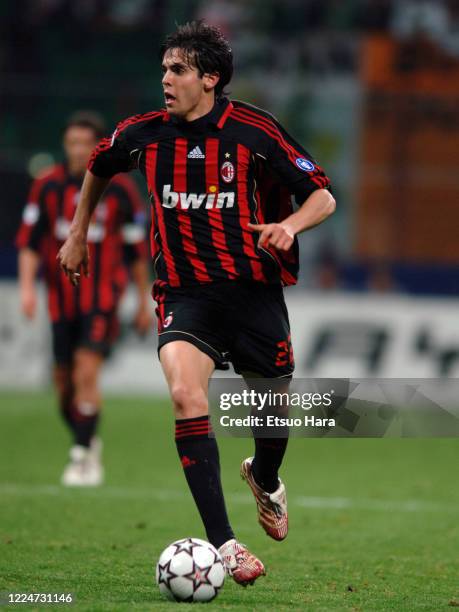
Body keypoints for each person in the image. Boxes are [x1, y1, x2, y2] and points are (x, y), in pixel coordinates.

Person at [57, 22, 335, 585]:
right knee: (187, 396)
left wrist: (288, 225)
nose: (165, 78)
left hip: (254, 293)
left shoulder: (255, 130)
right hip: (185, 295)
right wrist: (78, 232)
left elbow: (323, 195)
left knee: (271, 412)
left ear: (210, 79)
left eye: (178, 69)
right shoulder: (143, 133)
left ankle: (265, 474)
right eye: (163, 69)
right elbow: (98, 167)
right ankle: (224, 544)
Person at [16, 111, 151, 487]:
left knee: (86, 370)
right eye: (72, 143)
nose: (77, 151)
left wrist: (143, 301)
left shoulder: (121, 189)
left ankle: (80, 459)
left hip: (102, 296)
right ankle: (88, 439)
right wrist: (28, 289)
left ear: (98, 147)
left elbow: (136, 251)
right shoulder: (46, 187)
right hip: (61, 300)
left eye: (84, 144)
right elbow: (28, 242)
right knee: (63, 385)